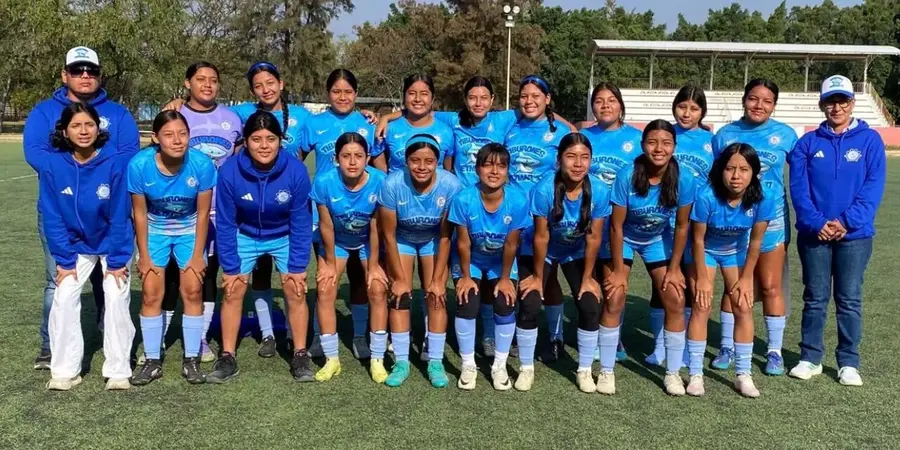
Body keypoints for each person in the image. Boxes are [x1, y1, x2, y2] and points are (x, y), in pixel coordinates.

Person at [23, 46, 139, 370]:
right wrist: (69, 170)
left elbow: (129, 154)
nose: (85, 75)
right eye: (77, 70)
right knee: (58, 278)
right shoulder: (45, 112)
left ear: (99, 75)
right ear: (65, 75)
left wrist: (98, 170)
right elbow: (36, 153)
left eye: (91, 70)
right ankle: (50, 347)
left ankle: (113, 342)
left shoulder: (118, 113)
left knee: (110, 280)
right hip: (62, 207)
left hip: (108, 209)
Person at [788, 75, 886, 386]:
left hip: (854, 236)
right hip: (814, 235)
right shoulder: (807, 143)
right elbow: (799, 190)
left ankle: (848, 362)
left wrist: (845, 222)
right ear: (822, 105)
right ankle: (810, 358)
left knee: (849, 299)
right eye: (830, 101)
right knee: (815, 298)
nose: (837, 107)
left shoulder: (870, 141)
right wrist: (818, 223)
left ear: (852, 103)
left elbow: (872, 189)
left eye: (842, 100)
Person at [207, 111, 313, 383]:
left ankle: (300, 353)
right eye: (256, 139)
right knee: (232, 289)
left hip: (284, 234)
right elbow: (226, 222)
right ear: (246, 141)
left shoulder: (296, 170)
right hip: (246, 233)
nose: (264, 146)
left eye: (271, 139)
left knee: (295, 288)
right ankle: (227, 355)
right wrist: (230, 267)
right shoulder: (230, 170)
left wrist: (298, 266)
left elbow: (301, 221)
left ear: (280, 140)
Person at [39, 102, 135, 391]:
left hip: (111, 244)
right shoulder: (53, 165)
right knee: (64, 295)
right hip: (75, 246)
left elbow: (120, 215)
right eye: (76, 126)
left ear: (98, 128)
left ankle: (118, 370)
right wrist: (64, 260)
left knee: (115, 293)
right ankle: (65, 370)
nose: (84, 131)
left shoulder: (115, 163)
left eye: (89, 124)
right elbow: (52, 216)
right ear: (65, 132)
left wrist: (117, 261)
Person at [599, 119, 696, 396]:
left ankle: (673, 373)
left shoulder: (684, 178)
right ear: (642, 145)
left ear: (674, 146)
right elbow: (616, 226)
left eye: (666, 143)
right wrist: (619, 271)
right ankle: (606, 370)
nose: (659, 148)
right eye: (652, 142)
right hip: (624, 238)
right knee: (615, 296)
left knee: (675, 299)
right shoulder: (627, 175)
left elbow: (682, 226)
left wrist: (675, 268)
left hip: (656, 239)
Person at [710, 79, 797, 376]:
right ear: (744, 99)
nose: (759, 105)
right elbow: (716, 177)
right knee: (733, 285)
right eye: (753, 98)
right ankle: (727, 346)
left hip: (772, 220)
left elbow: (801, 176)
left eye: (767, 101)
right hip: (733, 220)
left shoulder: (786, 135)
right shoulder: (725, 135)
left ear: (774, 105)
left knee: (771, 285)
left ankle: (774, 351)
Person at [159, 61, 242, 364]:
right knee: (171, 275)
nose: (207, 85)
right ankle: (159, 338)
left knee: (208, 274)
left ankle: (201, 338)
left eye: (213, 80)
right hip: (180, 212)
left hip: (221, 212)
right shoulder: (176, 113)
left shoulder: (232, 119)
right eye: (200, 79)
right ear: (187, 83)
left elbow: (237, 162)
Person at [128, 111, 217, 386]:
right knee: (151, 294)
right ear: (156, 138)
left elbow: (203, 213)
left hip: (190, 231)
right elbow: (139, 213)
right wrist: (143, 255)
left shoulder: (201, 164)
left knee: (192, 291)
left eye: (182, 133)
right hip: (155, 231)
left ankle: (191, 359)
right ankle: (152, 360)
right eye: (168, 135)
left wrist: (198, 254)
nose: (177, 140)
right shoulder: (139, 165)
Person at [519, 133, 611, 393]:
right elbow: (540, 236)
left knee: (590, 304)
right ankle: (526, 368)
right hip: (542, 249)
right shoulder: (544, 189)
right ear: (559, 160)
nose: (578, 164)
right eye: (571, 157)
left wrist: (588, 278)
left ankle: (584, 370)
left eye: (585, 157)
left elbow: (594, 237)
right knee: (530, 300)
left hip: (575, 250)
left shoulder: (599, 190)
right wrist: (538, 277)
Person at [301, 68, 379, 360]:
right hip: (325, 214)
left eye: (348, 92)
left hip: (361, 213)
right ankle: (319, 336)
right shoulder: (314, 122)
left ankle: (359, 336)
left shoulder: (367, 123)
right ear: (327, 94)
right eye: (336, 91)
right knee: (326, 276)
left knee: (359, 278)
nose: (342, 97)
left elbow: (377, 164)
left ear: (356, 94)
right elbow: (297, 159)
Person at [686, 143, 774, 398]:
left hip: (735, 253)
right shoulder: (706, 196)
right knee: (702, 305)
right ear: (721, 170)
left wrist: (747, 278)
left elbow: (755, 242)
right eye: (730, 169)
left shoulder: (763, 198)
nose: (736, 176)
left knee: (743, 306)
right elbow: (698, 240)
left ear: (754, 172)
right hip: (705, 252)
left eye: (744, 169)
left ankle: (743, 374)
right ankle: (695, 374)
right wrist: (702, 277)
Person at [378, 134, 462, 387]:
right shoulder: (392, 184)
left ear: (438, 161)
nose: (422, 167)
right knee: (400, 296)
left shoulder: (450, 185)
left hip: (434, 239)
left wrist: (438, 279)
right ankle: (401, 361)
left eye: (429, 161)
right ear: (406, 161)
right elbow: (388, 235)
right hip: (402, 239)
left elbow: (446, 236)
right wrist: (399, 279)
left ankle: (435, 361)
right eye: (415, 160)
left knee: (436, 295)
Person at [505, 74, 574, 364]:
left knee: (549, 278)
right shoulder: (510, 125)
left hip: (547, 217)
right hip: (515, 217)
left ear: (547, 99)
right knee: (518, 277)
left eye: (536, 96)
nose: (529, 101)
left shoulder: (560, 131)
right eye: (524, 96)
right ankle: (513, 335)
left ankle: (556, 337)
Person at [448, 143, 528, 390]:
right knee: (468, 301)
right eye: (488, 165)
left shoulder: (517, 200)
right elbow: (462, 242)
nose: (494, 171)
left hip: (499, 262)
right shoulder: (463, 198)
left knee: (505, 302)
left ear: (508, 171)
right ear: (477, 169)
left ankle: (499, 365)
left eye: (501, 166)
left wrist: (504, 279)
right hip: (470, 260)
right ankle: (468, 364)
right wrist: (465, 276)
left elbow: (512, 244)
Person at [309, 132, 388, 382]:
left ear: (367, 158)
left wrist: (373, 266)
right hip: (338, 242)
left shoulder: (380, 181)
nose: (352, 162)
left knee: (377, 288)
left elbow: (376, 226)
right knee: (326, 287)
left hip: (367, 241)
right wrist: (330, 264)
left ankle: (376, 358)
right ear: (336, 158)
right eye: (346, 156)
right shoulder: (324, 181)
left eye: (358, 156)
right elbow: (326, 226)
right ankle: (331, 359)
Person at [646, 85, 715, 367]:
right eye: (682, 106)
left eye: (694, 108)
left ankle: (685, 346)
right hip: (664, 222)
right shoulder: (665, 134)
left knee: (690, 283)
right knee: (663, 284)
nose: (687, 113)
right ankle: (659, 346)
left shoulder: (712, 141)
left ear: (702, 112)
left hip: (696, 223)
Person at [579, 81, 642, 362]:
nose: (605, 106)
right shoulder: (583, 136)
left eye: (611, 100)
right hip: (588, 221)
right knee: (591, 280)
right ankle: (591, 332)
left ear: (621, 105)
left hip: (620, 224)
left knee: (615, 282)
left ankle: (613, 337)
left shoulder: (637, 139)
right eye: (599, 101)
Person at [376, 74, 455, 173]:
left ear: (432, 99)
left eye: (424, 94)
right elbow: (380, 172)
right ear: (404, 97)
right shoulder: (388, 129)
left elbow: (447, 170)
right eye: (412, 93)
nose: (417, 99)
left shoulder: (446, 131)